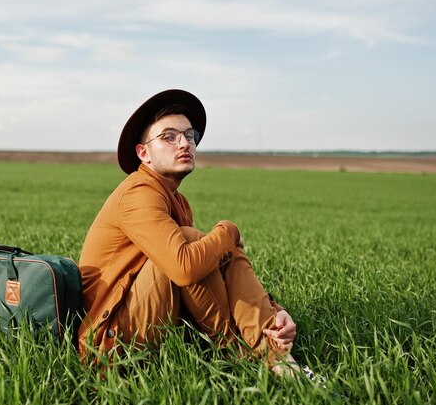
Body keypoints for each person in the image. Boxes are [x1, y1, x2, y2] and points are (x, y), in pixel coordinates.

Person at [77, 89, 299, 374]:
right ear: (143, 153)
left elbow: (210, 268)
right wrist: (229, 230)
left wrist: (276, 311)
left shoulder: (176, 200)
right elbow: (184, 268)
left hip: (142, 317)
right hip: (105, 344)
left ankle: (271, 344)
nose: (184, 143)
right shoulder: (138, 192)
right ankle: (248, 353)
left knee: (217, 249)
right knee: (200, 242)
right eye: (169, 136)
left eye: (189, 135)